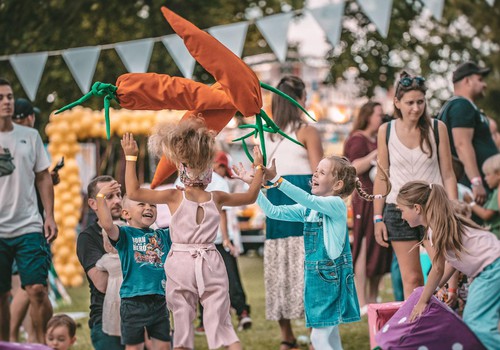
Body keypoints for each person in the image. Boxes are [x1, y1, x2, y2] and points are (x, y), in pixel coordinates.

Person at [122, 116, 264, 350]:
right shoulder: (217, 198)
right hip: (211, 261)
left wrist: (130, 157)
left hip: (181, 263)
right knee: (222, 324)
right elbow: (250, 196)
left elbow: (134, 192)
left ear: (181, 167)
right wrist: (258, 167)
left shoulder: (174, 197)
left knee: (182, 323)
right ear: (208, 170)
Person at [234, 155, 390, 349]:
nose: (315, 174)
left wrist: (276, 180)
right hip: (315, 282)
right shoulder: (310, 209)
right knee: (330, 337)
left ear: (337, 185)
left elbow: (307, 199)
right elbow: (274, 212)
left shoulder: (336, 204)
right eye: (316, 170)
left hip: (331, 283)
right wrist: (254, 188)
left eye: (322, 172)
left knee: (318, 338)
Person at [373, 71, 458, 299]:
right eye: (410, 102)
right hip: (398, 210)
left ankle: (442, 322)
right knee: (412, 278)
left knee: (443, 270)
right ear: (397, 103)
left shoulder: (437, 128)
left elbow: (448, 174)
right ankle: (416, 329)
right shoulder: (386, 130)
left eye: (420, 102)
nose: (415, 108)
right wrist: (377, 218)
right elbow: (382, 176)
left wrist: (453, 207)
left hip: (434, 208)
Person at [399, 181, 500, 350]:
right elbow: (452, 263)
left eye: (402, 210)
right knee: (475, 322)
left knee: (476, 324)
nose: (401, 216)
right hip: (489, 269)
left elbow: (437, 269)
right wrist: (434, 289)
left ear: (417, 208)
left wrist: (423, 301)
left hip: (491, 269)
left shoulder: (436, 229)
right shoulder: (443, 222)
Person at [263, 76, 323, 350]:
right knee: (307, 269)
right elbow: (321, 174)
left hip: (277, 203)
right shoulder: (306, 131)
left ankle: (287, 336)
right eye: (304, 97)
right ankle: (312, 335)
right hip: (302, 205)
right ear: (296, 100)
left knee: (281, 267)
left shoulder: (264, 134)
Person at [0, 78, 57, 343]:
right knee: (2, 295)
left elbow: (43, 177)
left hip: (29, 225)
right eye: (1, 98)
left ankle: (41, 345)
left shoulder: (31, 136)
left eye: (9, 97)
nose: (7, 102)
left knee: (36, 289)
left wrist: (50, 215)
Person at [96, 181, 172, 350]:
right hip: (133, 302)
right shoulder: (124, 235)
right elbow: (107, 224)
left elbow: (183, 225)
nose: (149, 207)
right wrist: (101, 196)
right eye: (142, 204)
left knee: (164, 346)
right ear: (126, 214)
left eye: (153, 204)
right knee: (134, 348)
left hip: (160, 300)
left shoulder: (163, 235)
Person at [195, 151, 252, 334]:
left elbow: (223, 211)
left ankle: (242, 312)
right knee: (202, 281)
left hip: (217, 239)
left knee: (229, 277)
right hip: (202, 241)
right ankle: (206, 319)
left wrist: (226, 239)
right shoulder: (191, 178)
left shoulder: (218, 182)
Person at [344, 101, 392, 313]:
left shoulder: (377, 138)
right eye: (378, 114)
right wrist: (376, 154)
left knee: (378, 248)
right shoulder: (358, 138)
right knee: (363, 246)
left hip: (379, 197)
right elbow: (352, 167)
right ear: (368, 116)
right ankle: (362, 299)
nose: (381, 118)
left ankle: (373, 297)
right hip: (364, 198)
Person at [437, 61, 497, 205]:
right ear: (467, 81)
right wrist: (476, 182)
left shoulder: (462, 106)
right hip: (473, 191)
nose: (485, 85)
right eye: (480, 80)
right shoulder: (461, 105)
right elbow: (462, 144)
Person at [76, 175, 125, 350]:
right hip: (106, 319)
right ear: (93, 203)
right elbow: (103, 284)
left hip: (143, 315)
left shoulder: (135, 229)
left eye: (119, 195)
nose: (117, 201)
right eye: (109, 197)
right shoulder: (88, 238)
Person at [463, 153, 500, 238]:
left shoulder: (498, 192)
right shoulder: (495, 191)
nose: (485, 178)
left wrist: (471, 203)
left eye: (488, 175)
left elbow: (486, 215)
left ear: (498, 174)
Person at [95, 230, 123, 338]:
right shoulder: (127, 257)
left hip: (114, 290)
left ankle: (117, 333)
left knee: (115, 311)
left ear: (108, 246)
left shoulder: (106, 259)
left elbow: (98, 266)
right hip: (127, 287)